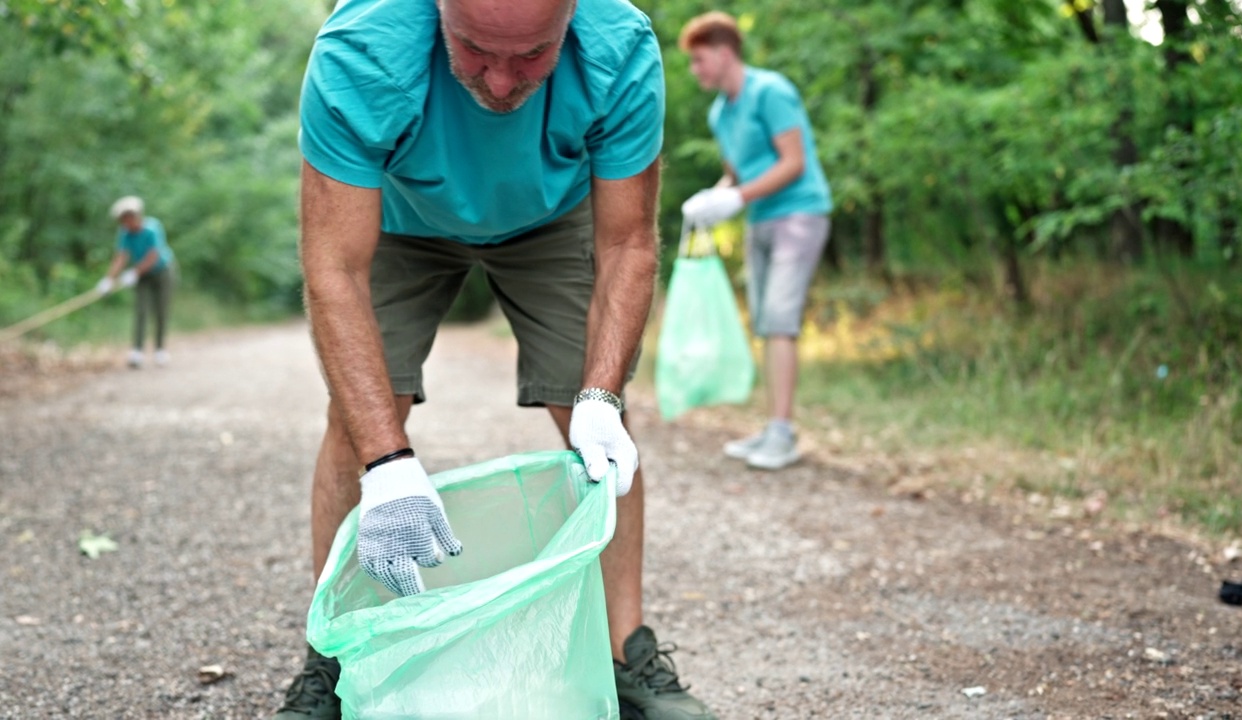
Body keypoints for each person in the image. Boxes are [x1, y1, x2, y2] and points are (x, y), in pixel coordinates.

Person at [274, 0, 716, 718]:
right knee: (360, 418)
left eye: (534, 55)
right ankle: (332, 659)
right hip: (398, 214)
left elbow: (628, 245)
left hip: (555, 213)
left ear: (570, 19)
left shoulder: (619, 47)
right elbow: (334, 270)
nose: (504, 85)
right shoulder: (361, 51)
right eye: (475, 51)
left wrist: (603, 397)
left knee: (598, 425)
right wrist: (387, 463)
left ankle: (625, 653)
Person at [677, 12, 833, 471]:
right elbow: (737, 172)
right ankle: (773, 426)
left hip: (800, 213)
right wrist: (714, 196)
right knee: (766, 321)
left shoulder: (772, 92)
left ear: (725, 53)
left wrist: (737, 197)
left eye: (700, 60)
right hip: (760, 217)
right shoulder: (718, 112)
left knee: (781, 320)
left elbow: (794, 163)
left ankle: (782, 434)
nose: (695, 70)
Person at [96, 196, 176, 368]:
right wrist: (109, 279)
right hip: (142, 275)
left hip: (162, 272)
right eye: (122, 220)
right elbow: (121, 257)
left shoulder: (153, 228)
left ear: (137, 215)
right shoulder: (125, 234)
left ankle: (160, 349)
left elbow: (154, 255)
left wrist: (134, 272)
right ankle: (137, 351)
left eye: (128, 218)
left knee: (161, 310)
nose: (126, 222)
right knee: (141, 310)